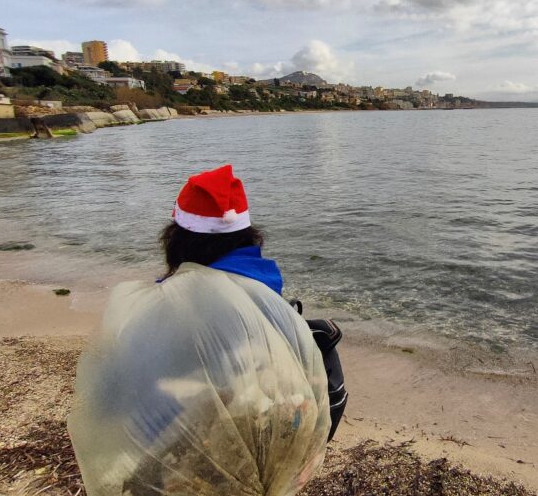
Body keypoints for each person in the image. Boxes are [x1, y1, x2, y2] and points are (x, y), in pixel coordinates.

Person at [69, 165, 346, 496]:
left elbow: (104, 403)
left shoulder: (161, 310)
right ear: (249, 239)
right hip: (277, 470)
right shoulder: (269, 300)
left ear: (176, 240)